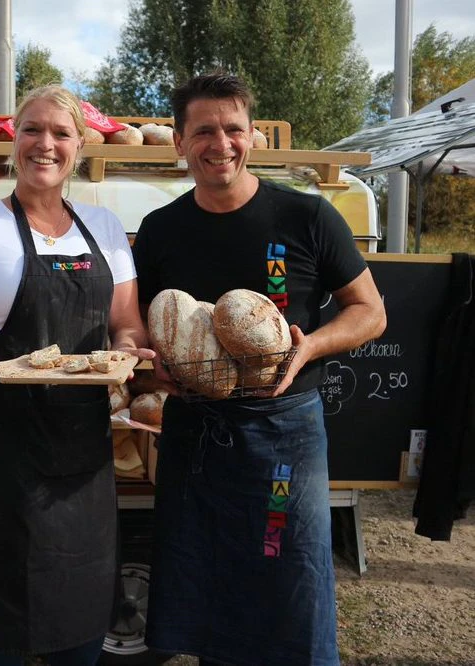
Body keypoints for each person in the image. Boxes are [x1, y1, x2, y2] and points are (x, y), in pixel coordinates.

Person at [131, 71, 387, 665]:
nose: (220, 144)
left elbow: (370, 313)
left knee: (286, 566)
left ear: (253, 137)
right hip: (194, 431)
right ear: (179, 141)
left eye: (233, 129)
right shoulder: (161, 230)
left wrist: (309, 348)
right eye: (203, 131)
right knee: (206, 573)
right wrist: (151, 365)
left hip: (284, 431)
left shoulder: (307, 217)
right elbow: (139, 325)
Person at [0, 84, 156, 665]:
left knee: (82, 628)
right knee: (4, 631)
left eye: (61, 133)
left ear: (79, 147)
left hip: (80, 457)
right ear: (14, 141)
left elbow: (126, 324)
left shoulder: (105, 228)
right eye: (33, 130)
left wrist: (124, 353)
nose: (46, 143)